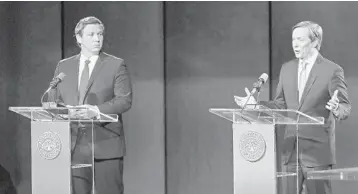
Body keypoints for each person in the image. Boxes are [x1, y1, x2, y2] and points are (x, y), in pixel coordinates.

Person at [235, 21, 351, 194]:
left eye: (300, 39)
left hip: (316, 153)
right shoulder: (287, 69)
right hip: (290, 151)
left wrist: (336, 108)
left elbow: (345, 107)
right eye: (293, 39)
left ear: (314, 42)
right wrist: (255, 105)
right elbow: (280, 105)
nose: (295, 44)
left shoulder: (332, 70)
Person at [48, 16, 132, 194]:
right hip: (75, 146)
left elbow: (124, 100)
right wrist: (65, 110)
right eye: (91, 34)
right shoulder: (64, 66)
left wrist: (96, 111)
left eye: (100, 34)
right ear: (79, 38)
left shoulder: (116, 65)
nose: (97, 38)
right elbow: (54, 100)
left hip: (106, 144)